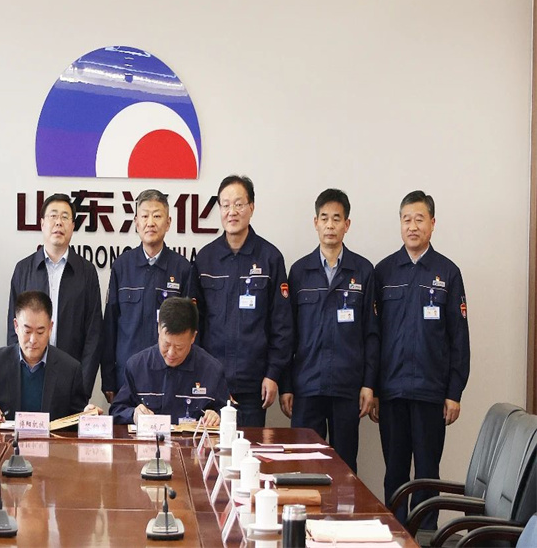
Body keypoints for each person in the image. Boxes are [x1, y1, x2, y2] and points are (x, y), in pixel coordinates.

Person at [372, 190, 470, 528]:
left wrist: (454, 392)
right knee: (395, 472)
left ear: (432, 223)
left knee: (427, 473)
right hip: (392, 392)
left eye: (419, 219)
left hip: (431, 392)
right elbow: (374, 337)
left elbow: (459, 338)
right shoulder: (384, 272)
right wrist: (373, 389)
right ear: (400, 224)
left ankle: (425, 537)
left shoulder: (448, 272)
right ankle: (396, 535)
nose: (412, 226)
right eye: (406, 220)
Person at [279, 189, 379, 473]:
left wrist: (369, 384)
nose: (330, 225)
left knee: (345, 468)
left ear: (347, 224)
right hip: (307, 385)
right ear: (315, 223)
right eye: (324, 218)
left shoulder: (363, 271)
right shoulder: (299, 272)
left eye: (337, 219)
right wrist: (286, 385)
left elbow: (372, 334)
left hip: (347, 386)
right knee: (302, 464)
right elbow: (288, 334)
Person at [192, 175, 293, 427]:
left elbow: (282, 324)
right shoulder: (205, 259)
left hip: (254, 383)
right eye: (225, 205)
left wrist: (273, 374)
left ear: (252, 207)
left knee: (249, 448)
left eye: (239, 204)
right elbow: (195, 324)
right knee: (209, 448)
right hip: (211, 382)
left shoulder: (270, 258)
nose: (232, 212)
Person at [99, 189, 197, 403]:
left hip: (171, 376)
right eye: (144, 216)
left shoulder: (182, 268)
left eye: (157, 216)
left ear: (168, 223)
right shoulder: (122, 266)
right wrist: (108, 378)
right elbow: (110, 326)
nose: (150, 222)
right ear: (136, 222)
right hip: (127, 376)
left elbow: (190, 330)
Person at [8, 193, 101, 397]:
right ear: (42, 223)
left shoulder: (86, 272)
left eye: (65, 217)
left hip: (71, 376)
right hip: (29, 374)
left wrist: (82, 386)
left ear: (73, 226)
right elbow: (13, 330)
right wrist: (17, 376)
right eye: (53, 216)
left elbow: (93, 334)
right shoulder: (23, 269)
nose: (59, 222)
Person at [0, 291, 99, 427]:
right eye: (27, 331)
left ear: (50, 328)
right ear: (16, 326)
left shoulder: (70, 369)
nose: (33, 340)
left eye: (40, 332)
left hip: (52, 441)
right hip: (8, 440)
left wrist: (86, 415)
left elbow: (77, 415)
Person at [110, 297, 229, 426]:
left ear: (193, 337)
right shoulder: (137, 366)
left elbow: (230, 413)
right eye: (166, 344)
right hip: (150, 439)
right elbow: (116, 411)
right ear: (158, 329)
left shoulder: (212, 371)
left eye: (179, 347)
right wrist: (133, 414)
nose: (171, 353)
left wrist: (218, 416)